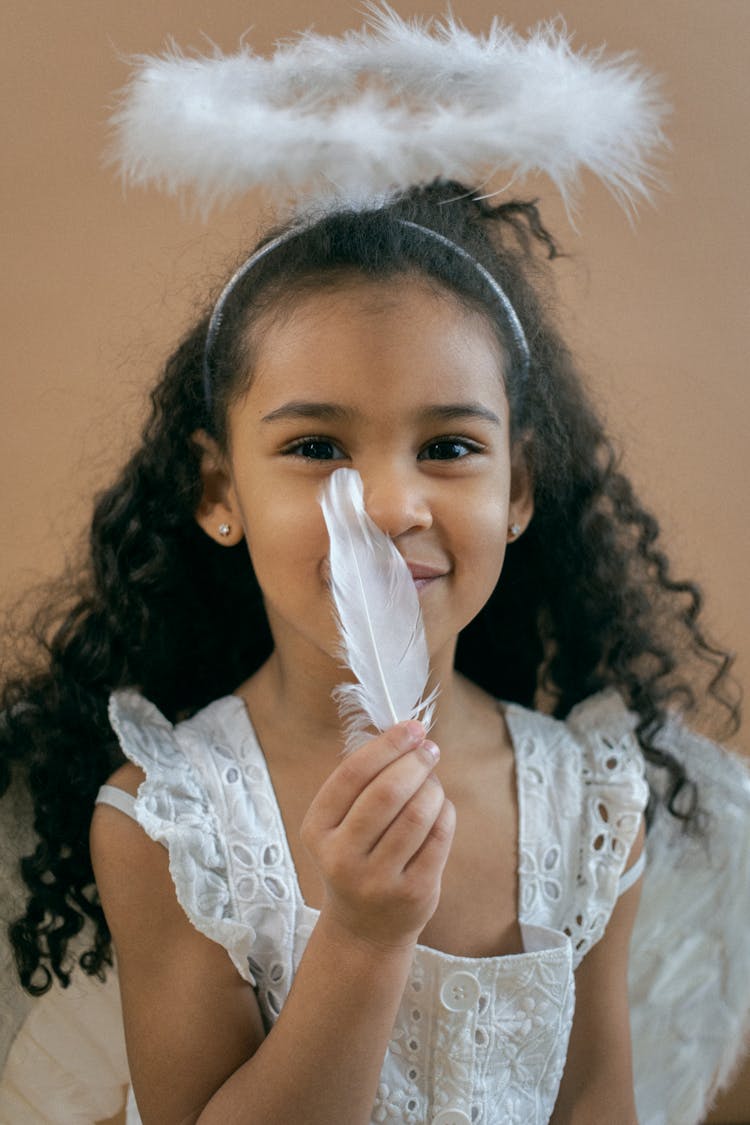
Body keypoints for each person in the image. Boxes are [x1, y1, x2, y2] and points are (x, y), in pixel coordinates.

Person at [0, 14, 747, 1125]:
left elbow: (599, 1101)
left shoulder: (594, 803)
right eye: (316, 449)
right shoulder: (171, 822)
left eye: (449, 448)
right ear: (218, 495)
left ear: (520, 489)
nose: (391, 506)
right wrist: (358, 938)